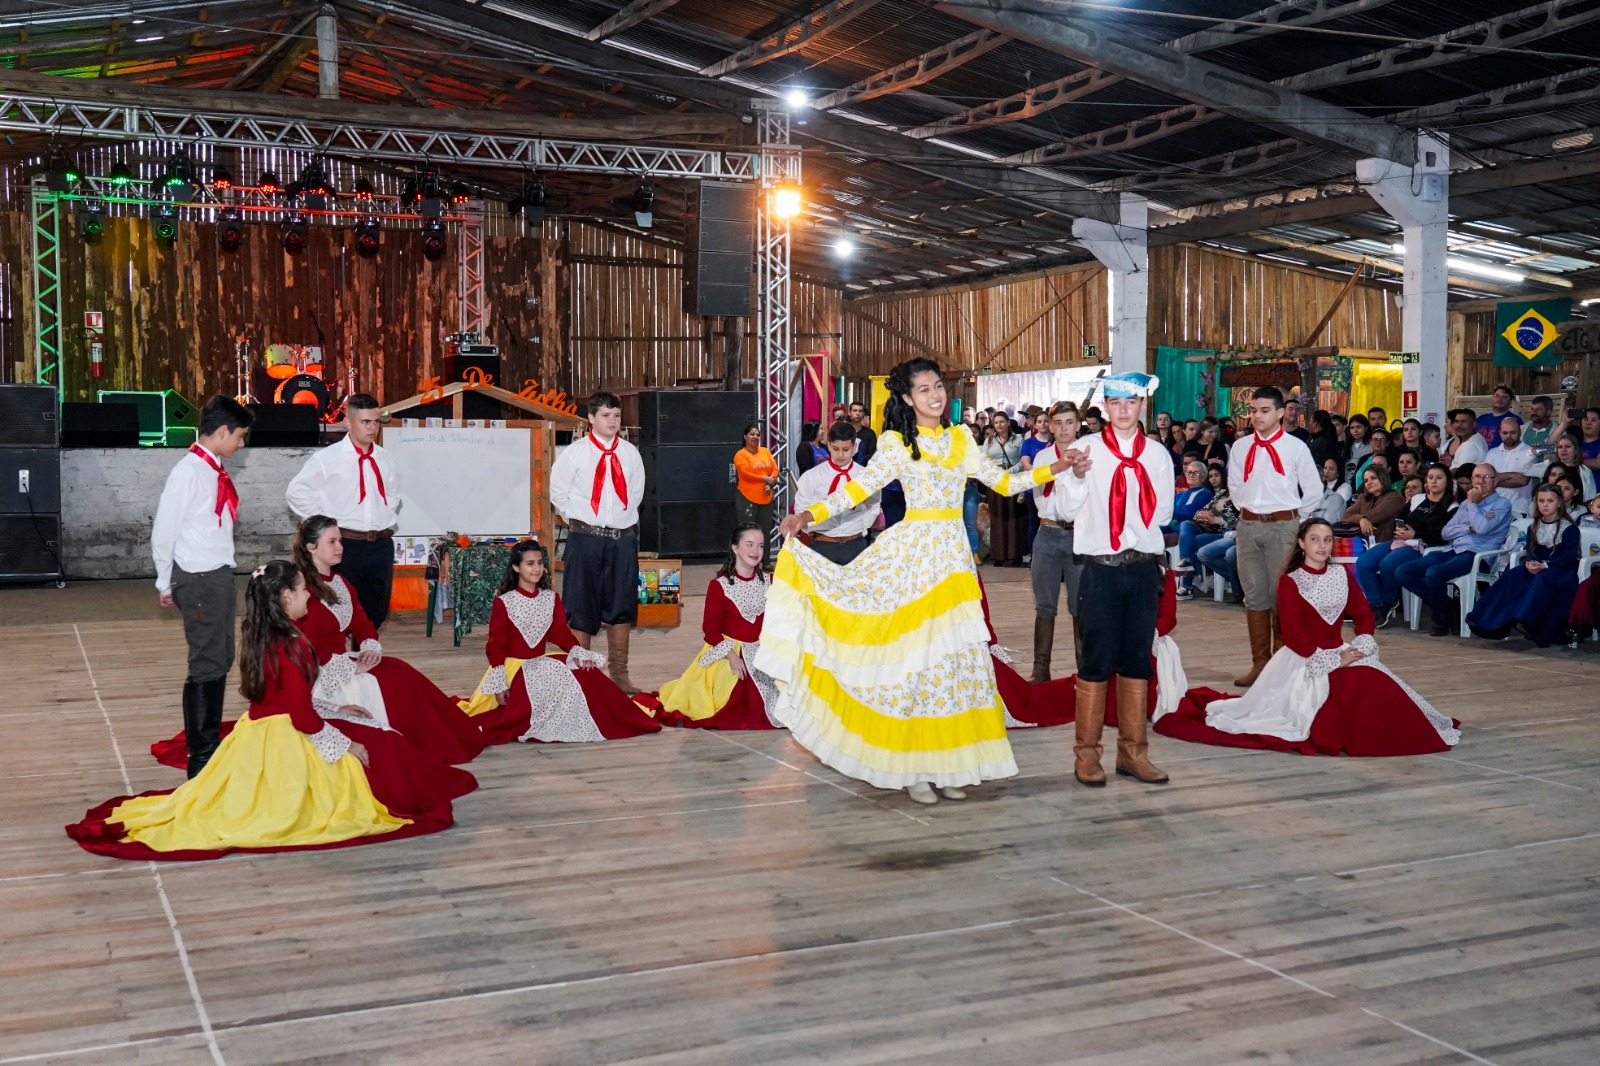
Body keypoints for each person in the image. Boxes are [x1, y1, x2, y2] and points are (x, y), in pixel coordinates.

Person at [765, 357, 1074, 806]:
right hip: (913, 560)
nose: (935, 395)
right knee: (912, 666)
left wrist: (1056, 468)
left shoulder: (962, 437)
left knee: (950, 669)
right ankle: (910, 767)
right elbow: (859, 489)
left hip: (953, 564)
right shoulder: (894, 442)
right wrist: (808, 515)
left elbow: (1004, 484)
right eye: (924, 389)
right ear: (908, 399)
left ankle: (948, 764)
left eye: (938, 387)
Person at [68, 562, 449, 861]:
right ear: (285, 597)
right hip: (286, 735)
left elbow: (285, 695)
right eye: (303, 591)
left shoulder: (262, 632)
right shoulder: (294, 644)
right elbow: (301, 718)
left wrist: (335, 707)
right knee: (351, 780)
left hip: (255, 732)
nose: (308, 599)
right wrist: (346, 745)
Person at [150, 516, 490, 768]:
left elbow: (361, 621)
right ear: (311, 547)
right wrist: (343, 666)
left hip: (344, 664)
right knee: (395, 683)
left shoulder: (340, 582)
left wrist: (369, 645)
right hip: (318, 679)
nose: (340, 547)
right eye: (332, 541)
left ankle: (448, 732)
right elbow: (299, 658)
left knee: (400, 672)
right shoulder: (299, 595)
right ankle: (426, 741)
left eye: (341, 540)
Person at [1156, 519, 1459, 757]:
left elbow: (1363, 614)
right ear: (1301, 543)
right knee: (1342, 696)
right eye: (1315, 539)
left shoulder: (1342, 575)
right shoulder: (1289, 582)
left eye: (1328, 540)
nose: (1322, 546)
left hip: (1343, 649)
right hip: (1304, 658)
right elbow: (1293, 633)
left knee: (1376, 684)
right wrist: (1331, 660)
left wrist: (1363, 642)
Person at [1046, 372, 1175, 786]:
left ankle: (1133, 753)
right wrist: (1080, 477)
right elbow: (1064, 510)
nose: (1123, 410)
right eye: (1115, 403)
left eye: (1131, 402)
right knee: (1096, 660)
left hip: (1141, 567)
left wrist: (1137, 531)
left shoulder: (1157, 456)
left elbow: (1165, 515)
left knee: (1138, 659)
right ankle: (1087, 754)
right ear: (1105, 406)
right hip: (1099, 568)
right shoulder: (1083, 450)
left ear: (1142, 406)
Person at [460, 539, 660, 744]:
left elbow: (560, 633)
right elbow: (496, 645)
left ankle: (616, 714)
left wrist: (578, 651)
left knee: (585, 671)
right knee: (518, 713)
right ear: (516, 567)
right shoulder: (504, 602)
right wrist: (500, 684)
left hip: (540, 664)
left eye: (539, 563)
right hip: (512, 668)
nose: (537, 569)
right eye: (530, 564)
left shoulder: (551, 598)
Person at [151, 396, 254, 778]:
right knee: (206, 662)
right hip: (197, 577)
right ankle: (201, 756)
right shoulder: (189, 472)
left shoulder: (213, 470)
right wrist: (165, 579)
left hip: (216, 574)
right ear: (223, 431)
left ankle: (207, 745)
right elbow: (165, 530)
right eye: (240, 436)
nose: (241, 445)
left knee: (221, 655)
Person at [549, 391, 646, 693]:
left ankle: (619, 673)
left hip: (622, 540)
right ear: (591, 418)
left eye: (616, 416)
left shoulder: (630, 453)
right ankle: (582, 678)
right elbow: (558, 494)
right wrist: (577, 520)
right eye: (606, 416)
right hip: (585, 538)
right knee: (580, 605)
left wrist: (620, 520)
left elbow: (637, 493)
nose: (612, 421)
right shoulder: (575, 453)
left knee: (621, 605)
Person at [1227, 385, 1323, 687]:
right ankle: (1260, 663)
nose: (1257, 416)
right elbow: (1234, 487)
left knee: (1281, 594)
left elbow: (1313, 491)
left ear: (1281, 413)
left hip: (1285, 526)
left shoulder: (1296, 447)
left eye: (1264, 411)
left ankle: (1283, 663)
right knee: (1254, 595)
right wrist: (1250, 512)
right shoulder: (1241, 447)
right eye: (1253, 410)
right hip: (1249, 525)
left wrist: (1296, 522)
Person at [286, 394, 400, 630]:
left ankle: (362, 659)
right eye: (365, 422)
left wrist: (382, 515)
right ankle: (333, 659)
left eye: (376, 422)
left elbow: (392, 495)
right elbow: (297, 492)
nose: (372, 428)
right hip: (344, 545)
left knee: (375, 612)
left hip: (380, 544)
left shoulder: (385, 458)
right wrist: (324, 526)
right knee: (335, 611)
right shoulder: (328, 458)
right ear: (349, 422)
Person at [655, 525, 782, 730]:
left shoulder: (771, 581)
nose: (755, 551)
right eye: (749, 545)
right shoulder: (719, 585)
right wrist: (732, 656)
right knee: (731, 691)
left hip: (762, 651)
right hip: (727, 651)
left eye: (760, 546)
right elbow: (710, 629)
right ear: (735, 548)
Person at [1396, 464, 1514, 636]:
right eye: (1477, 477)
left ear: (1495, 482)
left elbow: (1481, 528)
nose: (1481, 481)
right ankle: (1450, 605)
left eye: (1487, 477)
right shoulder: (1465, 503)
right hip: (1453, 550)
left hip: (1477, 557)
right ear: (1472, 480)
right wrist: (1469, 527)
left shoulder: (1501, 504)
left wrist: (1473, 506)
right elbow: (1445, 532)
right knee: (1404, 571)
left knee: (1434, 573)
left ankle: (1440, 620)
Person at [1466, 484, 1580, 647]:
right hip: (1540, 567)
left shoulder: (1568, 529)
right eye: (1541, 501)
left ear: (1559, 503)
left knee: (1542, 580)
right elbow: (1531, 550)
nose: (1545, 505)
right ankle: (1485, 619)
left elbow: (1568, 558)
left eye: (1550, 501)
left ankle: (1526, 618)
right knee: (1513, 576)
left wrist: (1545, 565)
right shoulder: (1534, 526)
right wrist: (1532, 562)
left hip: (1561, 572)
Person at [1355, 463, 1457, 625]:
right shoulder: (1417, 499)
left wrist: (1415, 534)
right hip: (1402, 540)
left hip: (1424, 545)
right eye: (1430, 478)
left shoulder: (1452, 507)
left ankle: (1389, 600)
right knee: (1364, 562)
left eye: (1439, 478)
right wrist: (1401, 530)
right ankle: (1377, 605)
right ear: (1426, 482)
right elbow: (1400, 518)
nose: (1434, 481)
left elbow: (1443, 536)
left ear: (1447, 482)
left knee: (1388, 564)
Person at [1029, 401, 1086, 679]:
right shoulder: (1042, 458)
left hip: (1079, 536)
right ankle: (1041, 670)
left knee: (1080, 605)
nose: (1063, 428)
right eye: (1058, 423)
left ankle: (1086, 669)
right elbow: (1038, 492)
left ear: (1078, 424)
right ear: (1050, 426)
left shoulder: (1089, 455)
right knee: (1045, 605)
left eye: (1069, 422)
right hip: (1048, 533)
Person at [795, 420, 881, 565]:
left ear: (855, 447)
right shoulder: (812, 476)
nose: (840, 455)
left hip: (856, 544)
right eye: (835, 449)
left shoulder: (865, 476)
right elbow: (801, 508)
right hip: (822, 544)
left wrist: (860, 528)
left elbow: (873, 505)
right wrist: (813, 531)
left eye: (846, 449)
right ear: (828, 445)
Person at [982, 408, 1029, 566]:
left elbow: (1023, 459)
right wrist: (995, 475)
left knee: (1015, 518)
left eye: (1002, 421)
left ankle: (1015, 555)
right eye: (996, 422)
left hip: (1014, 480)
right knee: (997, 517)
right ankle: (999, 555)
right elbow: (983, 461)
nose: (999, 425)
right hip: (995, 482)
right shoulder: (989, 441)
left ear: (1008, 423)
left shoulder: (1019, 439)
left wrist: (1009, 472)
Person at [732, 422, 779, 560]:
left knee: (764, 531)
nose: (755, 437)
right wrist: (765, 478)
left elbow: (775, 468)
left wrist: (772, 478)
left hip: (766, 497)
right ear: (745, 437)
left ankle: (765, 562)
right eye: (752, 434)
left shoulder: (765, 451)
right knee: (747, 532)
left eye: (757, 435)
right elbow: (745, 474)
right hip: (747, 497)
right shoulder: (741, 455)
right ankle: (744, 562)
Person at [1019, 407, 1054, 555]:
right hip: (1033, 488)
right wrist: (1043, 475)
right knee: (1034, 522)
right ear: (1035, 424)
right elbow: (1026, 464)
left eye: (1046, 421)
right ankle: (1035, 556)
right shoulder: (1028, 443)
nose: (1043, 424)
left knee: (1052, 524)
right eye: (1040, 421)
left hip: (1053, 488)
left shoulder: (1056, 441)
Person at [1484, 416, 1536, 516]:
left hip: (1520, 509)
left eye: (1513, 432)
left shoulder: (1530, 452)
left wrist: (1495, 478)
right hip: (1494, 510)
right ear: (1499, 433)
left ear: (1520, 432)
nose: (1509, 436)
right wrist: (1514, 476)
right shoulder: (1492, 453)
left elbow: (1523, 480)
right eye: (1505, 433)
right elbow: (1485, 481)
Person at [1343, 466, 1405, 542]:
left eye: (1373, 478)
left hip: (1386, 544)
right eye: (1366, 481)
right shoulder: (1363, 498)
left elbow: (1373, 517)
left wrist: (1362, 518)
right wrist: (1361, 519)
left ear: (1383, 478)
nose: (1369, 483)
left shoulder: (1395, 498)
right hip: (1363, 542)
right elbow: (1347, 515)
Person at [1166, 457, 1213, 545]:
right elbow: (1167, 511)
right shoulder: (1180, 495)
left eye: (1196, 473)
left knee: (1162, 540)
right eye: (1189, 472)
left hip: (1187, 529)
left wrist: (1173, 510)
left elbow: (1189, 513)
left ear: (1203, 477)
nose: (1191, 475)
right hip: (1171, 526)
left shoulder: (1205, 494)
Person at [1555, 433, 1599, 499]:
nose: (1563, 450)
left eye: (1568, 446)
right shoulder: (1550, 467)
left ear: (1575, 450)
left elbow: (1590, 497)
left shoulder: (1585, 471)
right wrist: (1534, 453)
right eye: (1560, 447)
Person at [1313, 457, 1351, 523]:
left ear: (1338, 472)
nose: (1326, 472)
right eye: (1325, 468)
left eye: (1331, 469)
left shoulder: (1345, 488)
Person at [849, 400, 878, 467]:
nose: (858, 413)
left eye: (860, 411)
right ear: (849, 413)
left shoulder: (870, 433)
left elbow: (872, 454)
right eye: (855, 410)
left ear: (863, 413)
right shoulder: (844, 432)